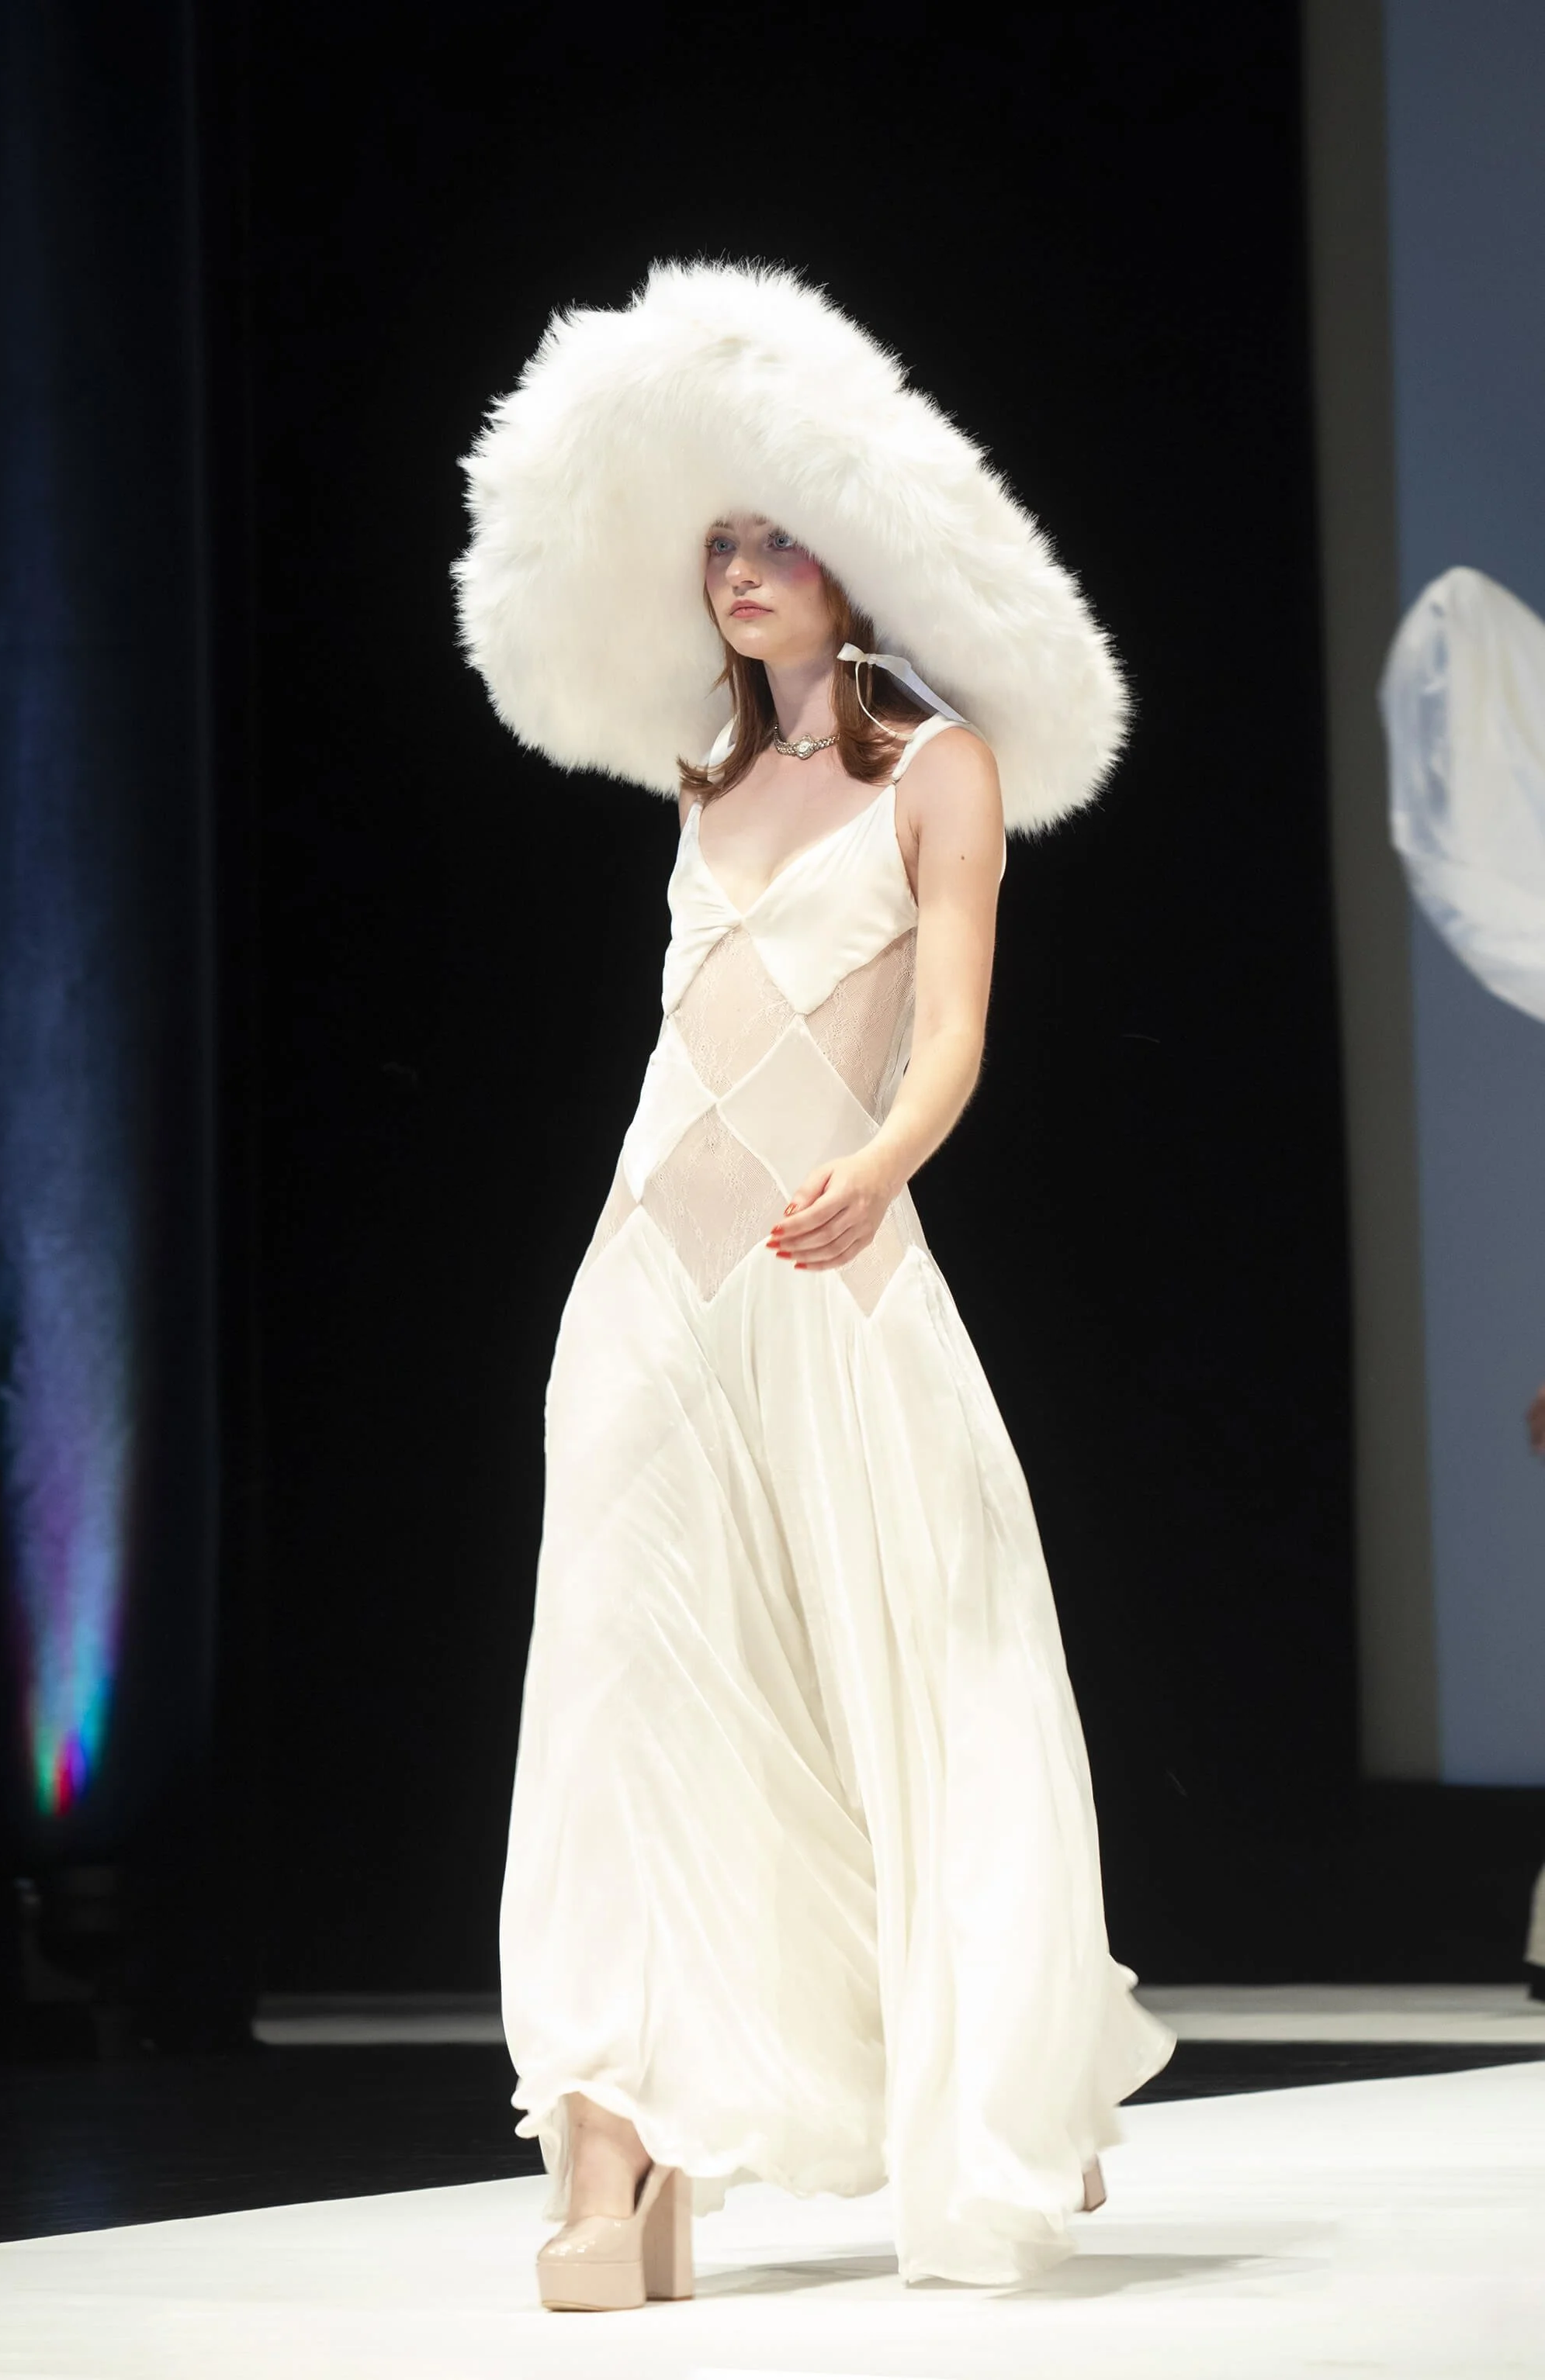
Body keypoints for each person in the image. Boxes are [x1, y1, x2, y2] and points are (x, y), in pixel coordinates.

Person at [455, 261, 1174, 2309]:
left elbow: (948, 1025)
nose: (744, 568)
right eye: (721, 543)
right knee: (618, 1679)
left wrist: (884, 1162)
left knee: (913, 1657)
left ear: (855, 558)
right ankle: (615, 2145)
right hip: (648, 1272)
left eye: (778, 535)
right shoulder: (703, 774)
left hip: (833, 1254)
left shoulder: (940, 769)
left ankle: (994, 2068)